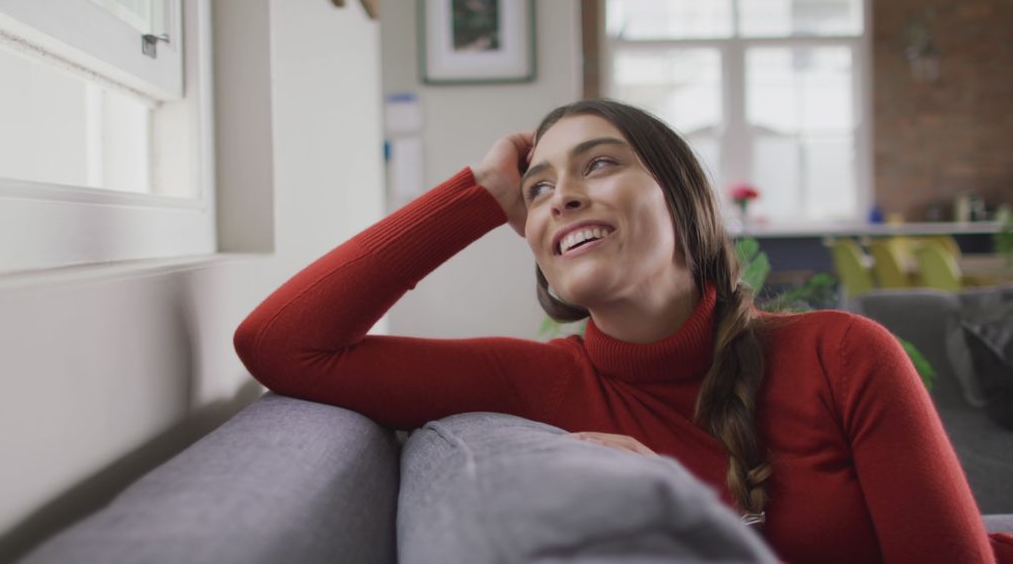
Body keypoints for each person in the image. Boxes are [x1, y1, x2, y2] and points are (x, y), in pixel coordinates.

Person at [234, 99, 1013, 563]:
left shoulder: (841, 354)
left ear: (683, 201)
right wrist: (479, 193)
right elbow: (283, 343)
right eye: (537, 190)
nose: (560, 197)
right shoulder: (530, 382)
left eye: (598, 165)